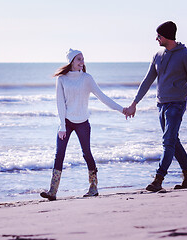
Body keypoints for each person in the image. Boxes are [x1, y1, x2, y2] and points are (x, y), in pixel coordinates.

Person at [124, 21, 187, 192]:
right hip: (161, 105)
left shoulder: (186, 56)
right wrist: (134, 103)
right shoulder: (158, 55)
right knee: (173, 141)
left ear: (166, 36)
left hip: (177, 104)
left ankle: (158, 179)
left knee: (168, 142)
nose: (156, 38)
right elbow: (147, 81)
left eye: (158, 35)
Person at [40, 48, 125, 201]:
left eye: (83, 59)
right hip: (66, 122)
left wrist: (122, 109)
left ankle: (93, 188)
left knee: (87, 154)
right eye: (79, 59)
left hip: (83, 122)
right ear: (71, 61)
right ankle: (52, 191)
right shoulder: (62, 79)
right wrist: (62, 125)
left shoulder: (87, 78)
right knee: (59, 155)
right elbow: (60, 103)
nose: (82, 62)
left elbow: (102, 97)